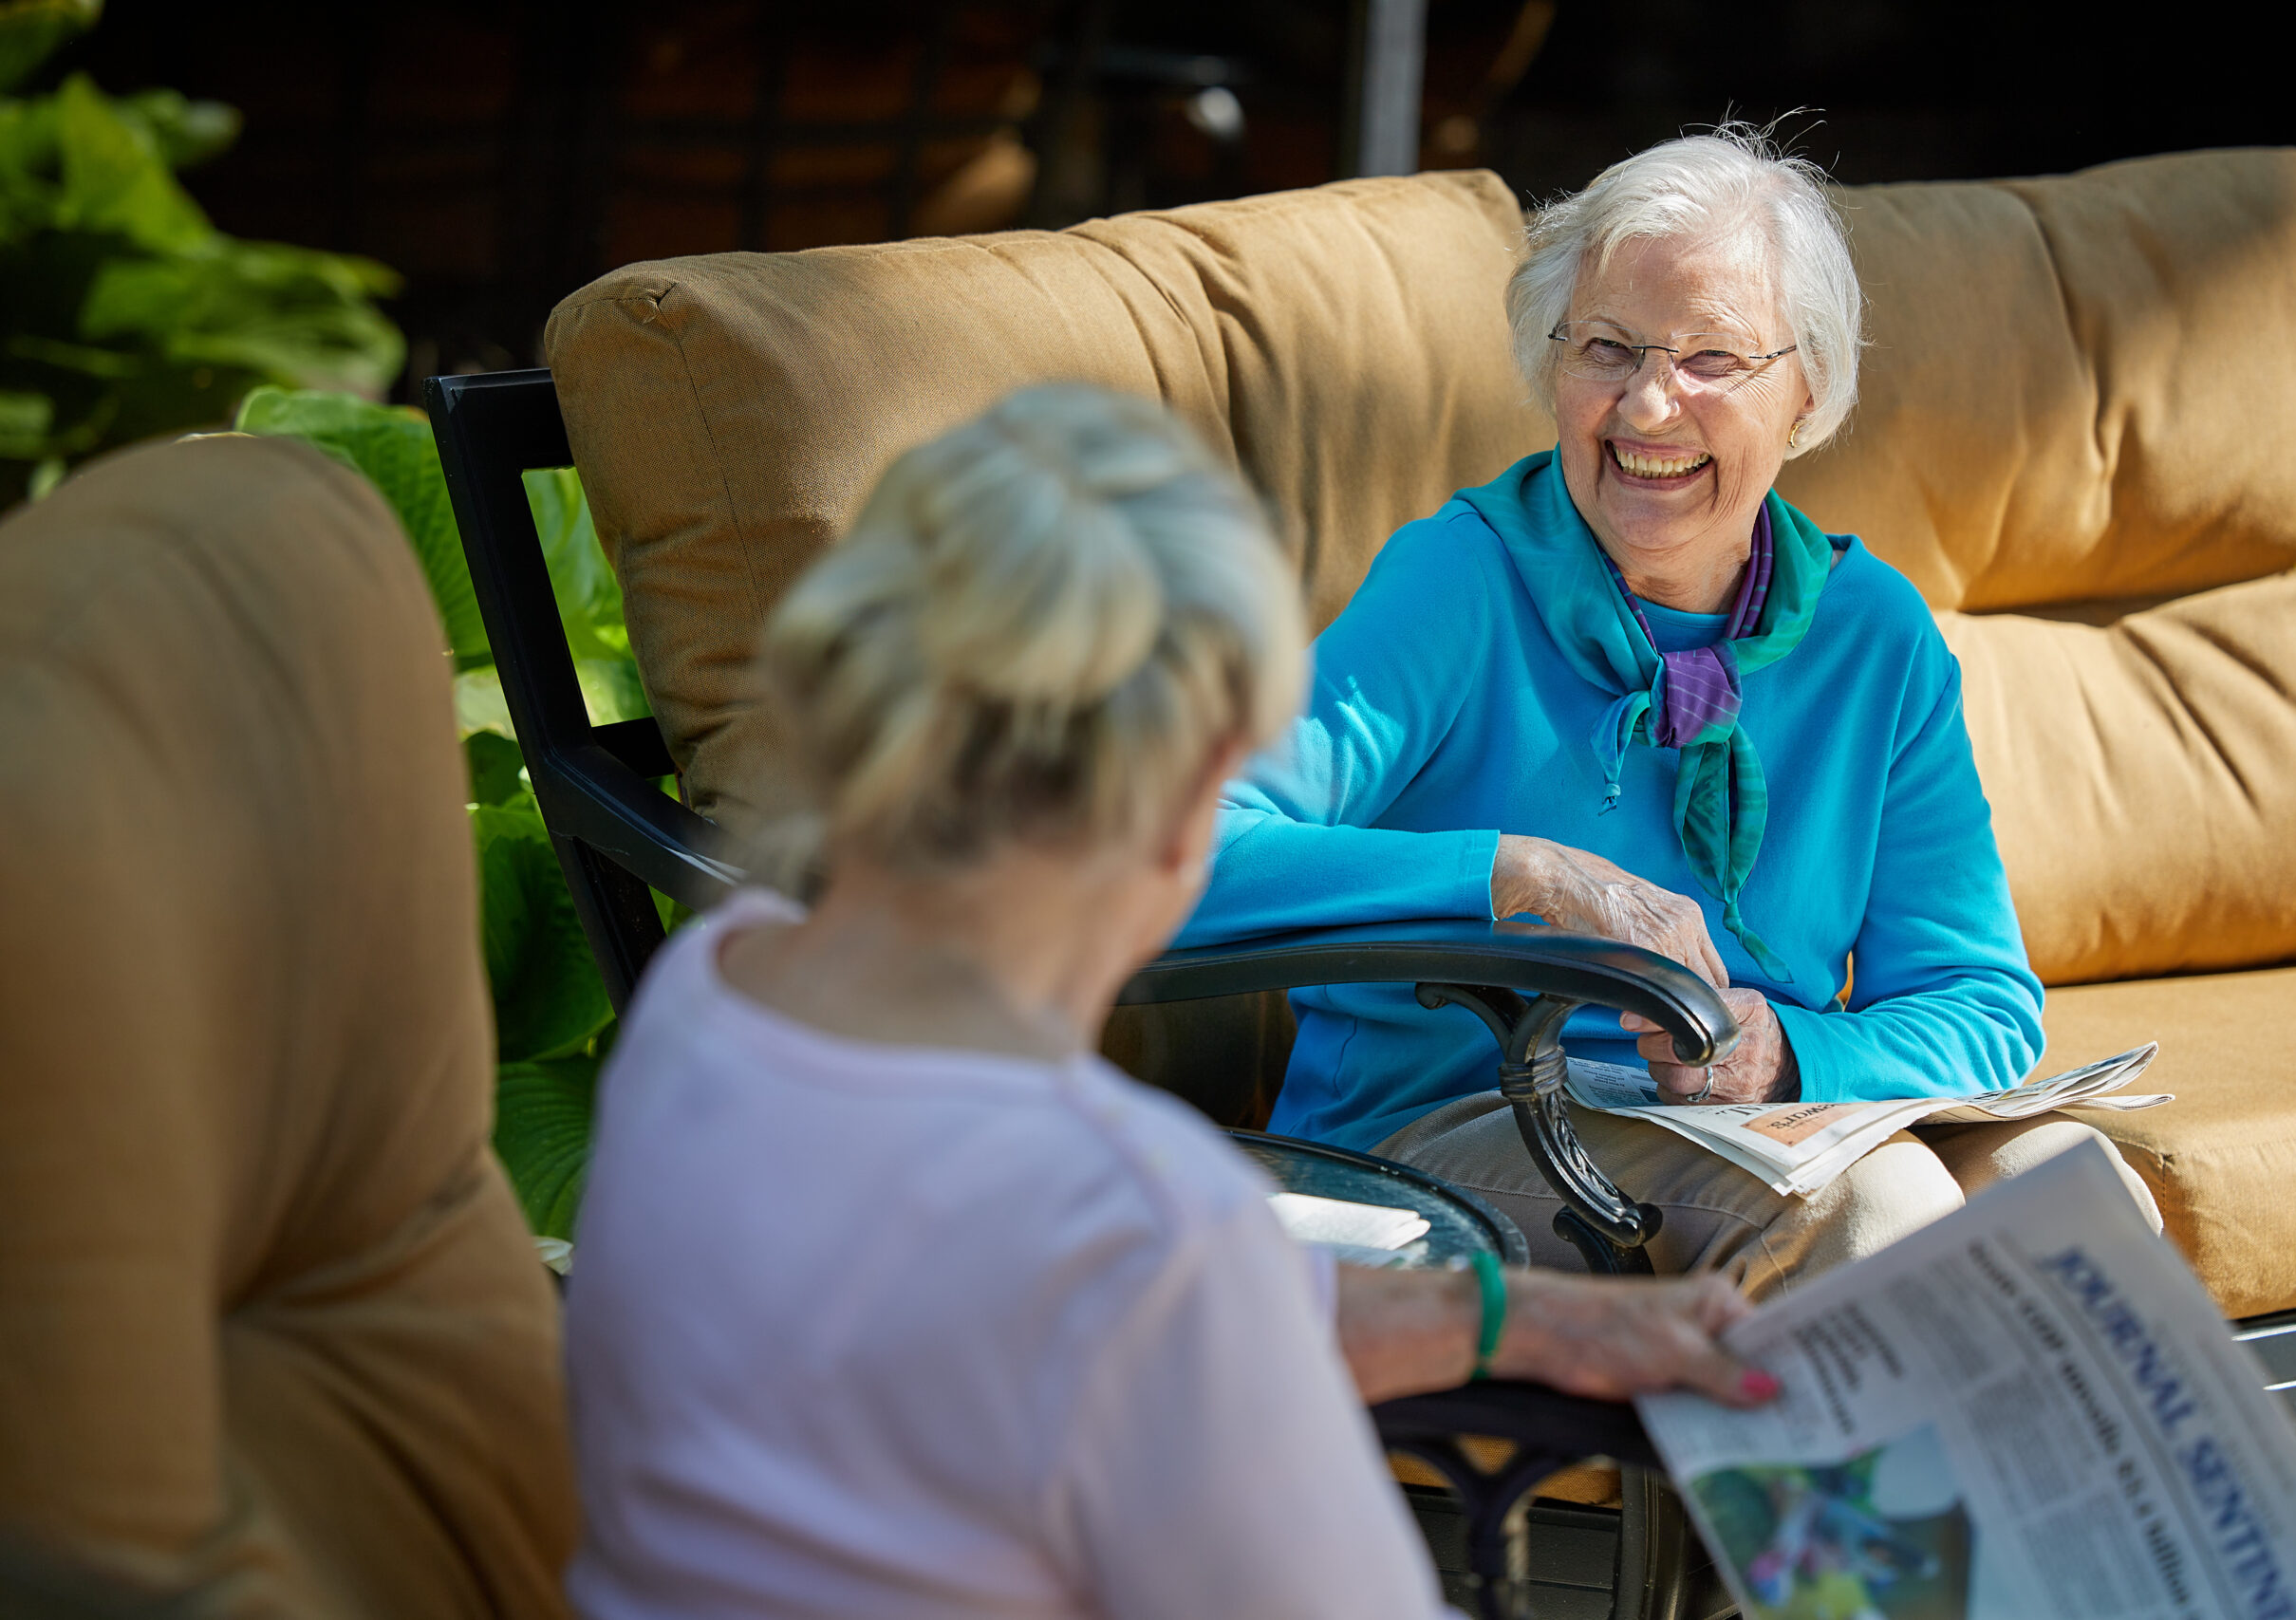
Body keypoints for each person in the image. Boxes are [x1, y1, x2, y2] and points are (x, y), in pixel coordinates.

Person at [562, 385, 1777, 1620]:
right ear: (1182, 805)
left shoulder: (719, 995)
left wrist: (1508, 1316)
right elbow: (1149, 1310)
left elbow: (1072, 1325)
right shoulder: (1136, 1215)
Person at [1177, 126, 2162, 1292]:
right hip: (1444, 1132)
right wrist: (1513, 876)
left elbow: (1980, 1001)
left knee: (2071, 1187)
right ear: (1552, 366)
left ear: (1806, 392)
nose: (1647, 407)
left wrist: (1785, 1053)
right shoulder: (1458, 584)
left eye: (1709, 359)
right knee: (1874, 1206)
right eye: (1607, 348)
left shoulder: (1873, 637)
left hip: (1756, 1126)